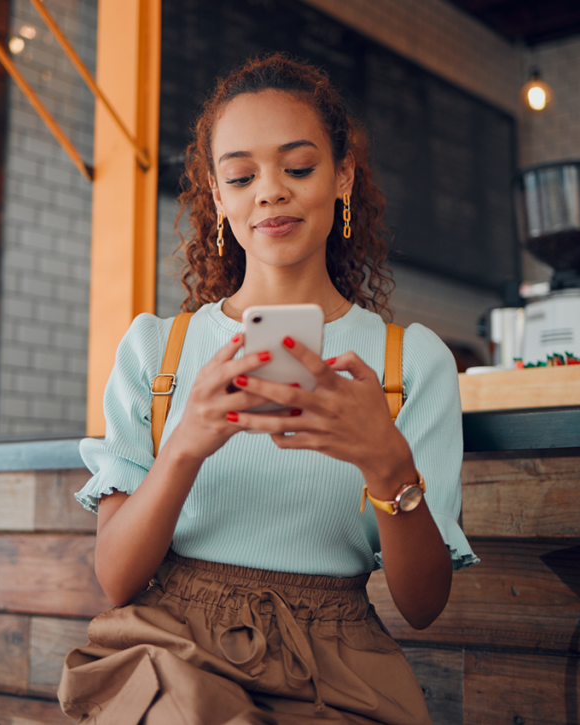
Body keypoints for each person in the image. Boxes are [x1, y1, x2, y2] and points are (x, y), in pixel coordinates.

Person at [59, 53, 478, 725]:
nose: (270, 191)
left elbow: (424, 604)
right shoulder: (155, 351)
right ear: (219, 197)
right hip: (175, 658)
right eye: (241, 174)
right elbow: (115, 577)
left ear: (342, 177)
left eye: (299, 167)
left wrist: (387, 464)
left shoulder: (410, 362)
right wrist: (185, 446)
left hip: (340, 671)